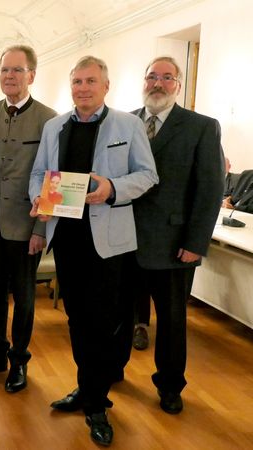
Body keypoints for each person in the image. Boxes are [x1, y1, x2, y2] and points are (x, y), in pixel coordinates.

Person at [29, 56, 158, 446]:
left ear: (106, 86)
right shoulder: (55, 127)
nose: (83, 88)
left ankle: (97, 403)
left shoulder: (128, 124)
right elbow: (39, 174)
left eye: (90, 81)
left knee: (102, 322)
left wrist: (112, 189)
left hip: (108, 242)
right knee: (76, 319)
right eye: (77, 82)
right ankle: (86, 389)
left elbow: (148, 175)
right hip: (66, 239)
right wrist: (38, 197)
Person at [117, 56, 224, 416]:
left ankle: (170, 386)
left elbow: (210, 189)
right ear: (142, 81)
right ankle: (114, 369)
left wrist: (196, 243)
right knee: (118, 312)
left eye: (166, 78)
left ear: (178, 85)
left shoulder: (201, 127)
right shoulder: (123, 122)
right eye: (151, 77)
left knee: (172, 320)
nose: (157, 83)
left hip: (172, 245)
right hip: (123, 240)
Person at [0, 45, 56, 393]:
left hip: (26, 227)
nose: (10, 77)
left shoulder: (49, 119)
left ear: (31, 75)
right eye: (4, 70)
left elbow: (53, 177)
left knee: (25, 299)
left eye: (17, 70)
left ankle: (19, 361)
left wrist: (41, 227)